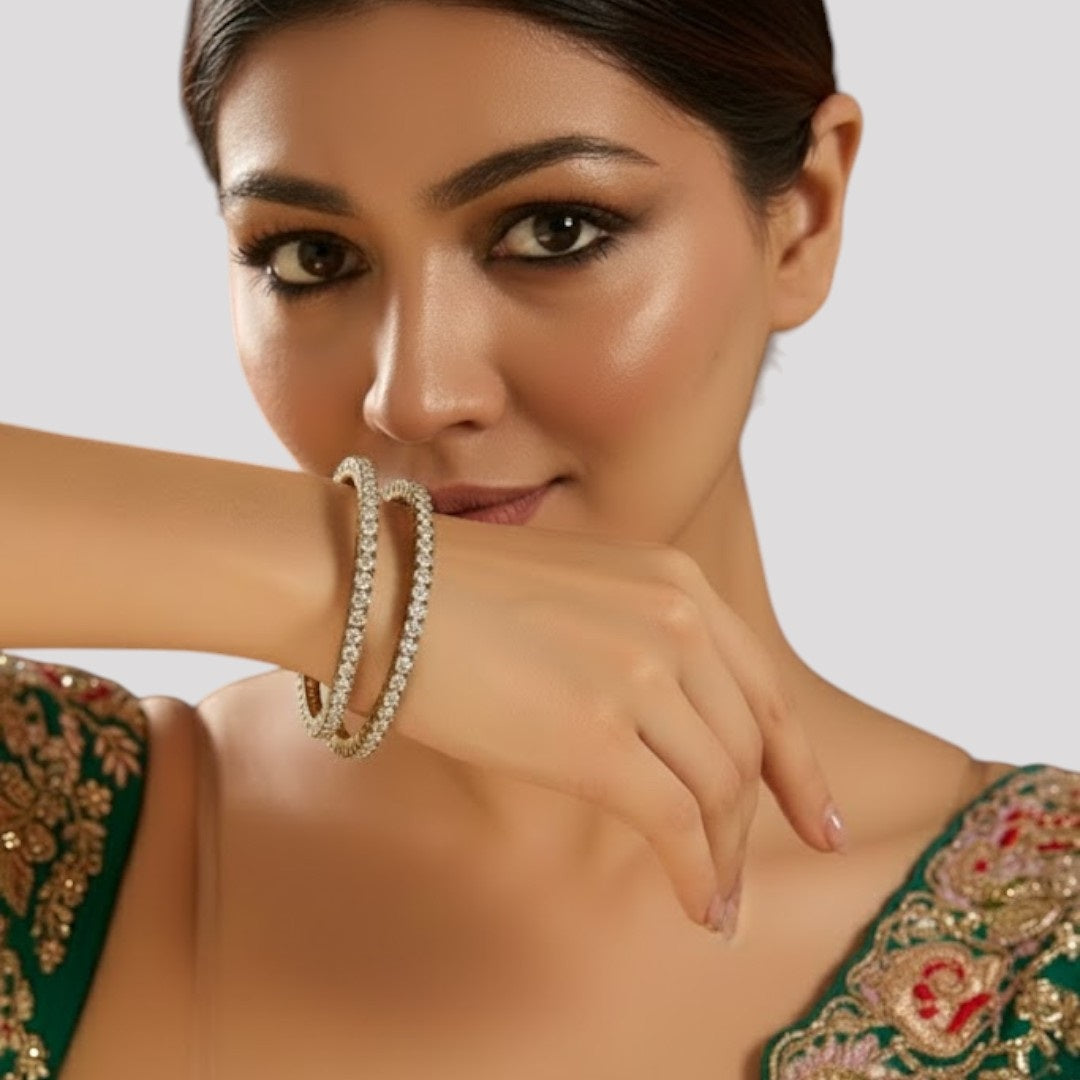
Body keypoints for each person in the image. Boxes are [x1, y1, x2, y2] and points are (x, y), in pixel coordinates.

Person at [1, 2, 1077, 1078]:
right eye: (312, 255)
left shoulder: (1049, 946)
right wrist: (354, 593)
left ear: (803, 213)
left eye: (554, 231)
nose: (414, 394)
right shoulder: (49, 829)